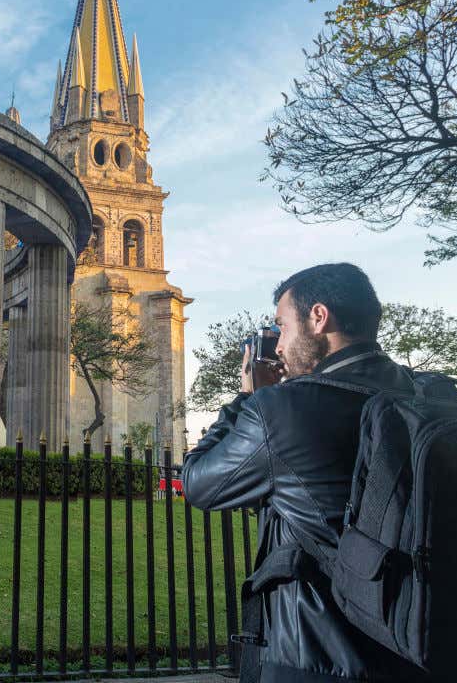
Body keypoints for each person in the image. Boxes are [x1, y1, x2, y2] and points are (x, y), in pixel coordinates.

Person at [182, 263, 428, 682]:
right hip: (425, 641)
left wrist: (246, 398)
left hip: (320, 655)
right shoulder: (426, 392)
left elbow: (198, 483)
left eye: (282, 327)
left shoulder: (281, 410)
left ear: (318, 317)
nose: (278, 346)